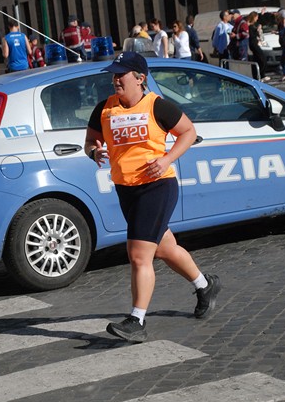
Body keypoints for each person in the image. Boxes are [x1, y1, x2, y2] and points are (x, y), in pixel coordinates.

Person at [84, 51, 221, 343]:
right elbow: (89, 143)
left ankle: (137, 320)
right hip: (126, 188)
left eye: (121, 74)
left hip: (158, 186)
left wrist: (167, 158)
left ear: (140, 78)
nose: (115, 79)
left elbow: (188, 132)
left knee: (138, 254)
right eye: (114, 74)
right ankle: (204, 284)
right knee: (164, 247)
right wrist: (95, 152)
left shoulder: (158, 106)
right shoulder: (104, 109)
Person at [247, 11, 270, 81]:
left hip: (255, 43)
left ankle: (258, 75)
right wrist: (257, 30)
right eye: (256, 17)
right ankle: (261, 74)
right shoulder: (250, 26)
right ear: (253, 17)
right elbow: (251, 35)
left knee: (257, 59)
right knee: (262, 58)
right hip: (253, 44)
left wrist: (261, 14)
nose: (257, 19)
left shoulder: (254, 24)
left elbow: (262, 22)